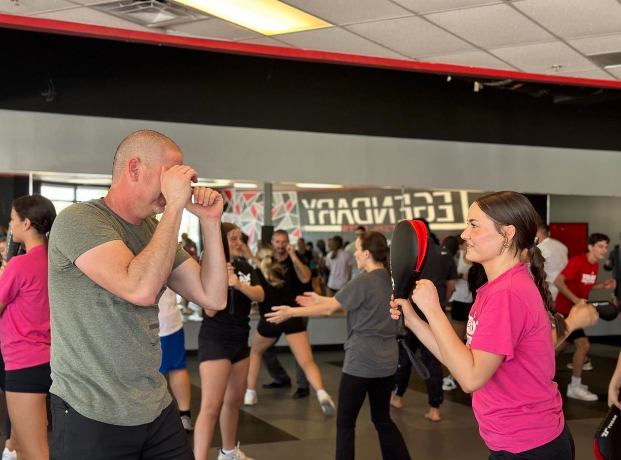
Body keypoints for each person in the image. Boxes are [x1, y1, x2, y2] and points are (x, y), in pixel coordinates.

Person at [48, 130, 228, 459]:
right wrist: (175, 206)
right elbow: (140, 289)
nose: (180, 184)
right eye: (170, 174)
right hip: (92, 412)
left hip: (154, 408)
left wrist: (211, 223)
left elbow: (213, 297)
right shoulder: (79, 220)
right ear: (135, 169)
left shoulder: (151, 232)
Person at [391, 191, 577, 459]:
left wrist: (433, 309)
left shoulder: (507, 294)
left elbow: (470, 379)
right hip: (517, 441)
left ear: (507, 233)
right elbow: (462, 361)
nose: (465, 234)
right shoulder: (496, 289)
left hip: (529, 446)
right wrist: (414, 320)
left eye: (474, 225)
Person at [266, 231, 410, 460]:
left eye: (358, 248)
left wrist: (291, 311)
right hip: (387, 364)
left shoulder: (363, 281)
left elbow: (329, 309)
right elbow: (342, 303)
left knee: (345, 425)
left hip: (360, 364)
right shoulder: (389, 280)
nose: (354, 253)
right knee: (383, 420)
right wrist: (318, 298)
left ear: (366, 253)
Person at [194, 223, 264, 460]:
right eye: (233, 239)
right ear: (221, 241)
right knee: (211, 407)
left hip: (240, 341)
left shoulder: (245, 267)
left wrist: (239, 283)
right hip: (216, 341)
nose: (239, 243)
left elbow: (261, 295)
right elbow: (209, 310)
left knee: (233, 402)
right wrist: (222, 279)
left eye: (240, 238)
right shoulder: (210, 267)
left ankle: (228, 452)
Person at [244, 242, 335, 416]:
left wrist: (249, 256)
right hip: (292, 316)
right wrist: (251, 256)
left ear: (258, 254)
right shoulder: (281, 270)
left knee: (255, 352)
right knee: (307, 361)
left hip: (271, 318)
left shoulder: (257, 273)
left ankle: (250, 394)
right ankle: (322, 393)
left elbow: (260, 272)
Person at [0, 195, 56, 460]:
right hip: (46, 361)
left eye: (12, 220)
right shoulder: (54, 262)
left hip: (24, 364)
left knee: (35, 451)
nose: (10, 226)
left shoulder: (19, 265)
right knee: (19, 446)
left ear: (26, 224)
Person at [391, 223, 458, 422]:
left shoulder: (410, 252)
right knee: (434, 360)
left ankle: (397, 397)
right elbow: (452, 285)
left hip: (412, 310)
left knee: (405, 356)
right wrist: (440, 305)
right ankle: (434, 408)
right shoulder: (443, 252)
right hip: (434, 311)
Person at [554, 233, 615, 401]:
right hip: (567, 310)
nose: (604, 250)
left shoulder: (595, 266)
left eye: (606, 247)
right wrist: (576, 300)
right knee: (583, 345)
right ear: (591, 247)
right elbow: (559, 281)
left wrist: (602, 285)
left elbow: (585, 284)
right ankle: (574, 386)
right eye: (601, 246)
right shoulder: (578, 261)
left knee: (560, 346)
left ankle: (537, 377)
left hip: (576, 310)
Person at [257, 231, 311, 399]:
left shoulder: (296, 258)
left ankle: (303, 386)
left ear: (288, 243)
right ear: (272, 242)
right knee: (264, 349)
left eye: (283, 242)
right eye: (277, 242)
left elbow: (306, 278)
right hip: (274, 311)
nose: (280, 245)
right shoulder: (268, 261)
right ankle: (281, 378)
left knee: (300, 350)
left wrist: (293, 255)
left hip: (297, 310)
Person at [157, 288, 194, 432]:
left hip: (164, 320)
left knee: (176, 368)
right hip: (166, 319)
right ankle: (184, 416)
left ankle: (184, 416)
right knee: (176, 368)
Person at [442, 235, 472, 392]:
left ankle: (471, 376)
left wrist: (461, 276)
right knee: (457, 341)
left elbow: (475, 278)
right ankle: (454, 376)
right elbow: (451, 277)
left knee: (473, 343)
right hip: (459, 301)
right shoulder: (458, 257)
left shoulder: (478, 258)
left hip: (473, 302)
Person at [536, 221, 568, 302]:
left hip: (549, 291)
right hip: (563, 290)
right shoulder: (561, 245)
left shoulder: (540, 248)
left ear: (538, 233)